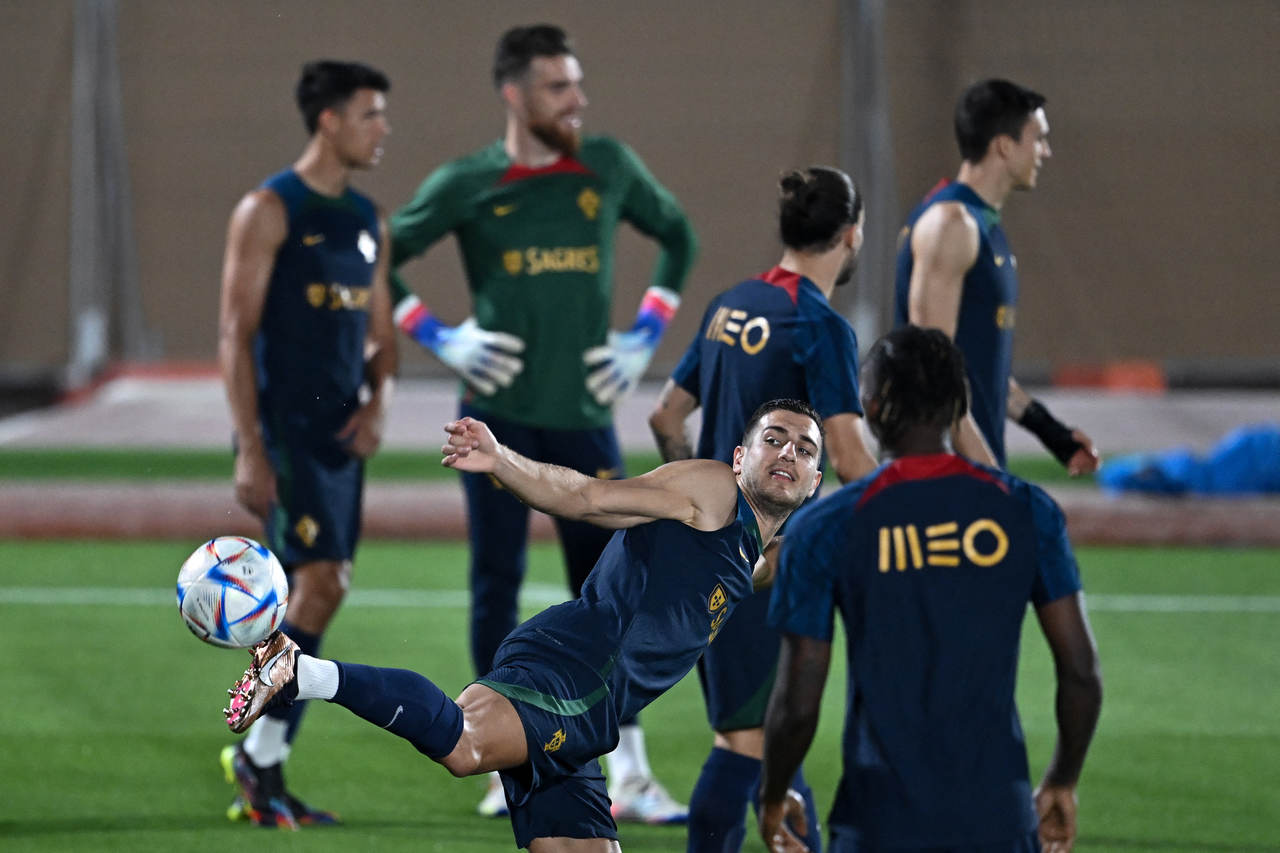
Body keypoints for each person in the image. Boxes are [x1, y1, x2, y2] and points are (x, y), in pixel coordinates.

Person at [220, 399, 825, 852]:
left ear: (815, 482)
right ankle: (301, 671)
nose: (788, 454)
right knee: (464, 746)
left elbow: (757, 575)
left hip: (594, 714)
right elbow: (588, 497)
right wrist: (501, 460)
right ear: (743, 456)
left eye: (804, 450)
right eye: (774, 440)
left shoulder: (756, 556)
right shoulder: (713, 492)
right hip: (573, 669)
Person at [388, 23, 697, 821]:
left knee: (611, 594)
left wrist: (643, 334)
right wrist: (437, 334)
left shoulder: (610, 166)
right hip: (495, 421)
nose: (577, 100)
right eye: (560, 87)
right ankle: (495, 753)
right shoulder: (467, 182)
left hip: (587, 421)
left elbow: (678, 236)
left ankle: (628, 767)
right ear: (515, 94)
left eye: (577, 83)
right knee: (493, 583)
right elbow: (380, 256)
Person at [758, 326, 1103, 853]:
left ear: (871, 408)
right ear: (960, 406)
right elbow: (1080, 671)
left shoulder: (829, 525)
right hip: (998, 819)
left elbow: (800, 695)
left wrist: (774, 791)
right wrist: (1061, 779)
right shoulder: (1026, 511)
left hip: (878, 821)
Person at [648, 167, 879, 853]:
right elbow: (849, 454)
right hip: (765, 564)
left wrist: (700, 507)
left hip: (709, 553)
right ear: (851, 235)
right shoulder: (819, 325)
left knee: (771, 734)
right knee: (746, 742)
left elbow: (667, 417)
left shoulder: (731, 303)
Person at [216, 59, 397, 828]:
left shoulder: (366, 218)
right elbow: (234, 332)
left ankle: (259, 751)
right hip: (287, 431)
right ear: (328, 120)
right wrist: (250, 446)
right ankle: (258, 758)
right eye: (370, 114)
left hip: (340, 437)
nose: (383, 128)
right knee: (322, 582)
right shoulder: (268, 209)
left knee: (319, 586)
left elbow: (380, 332)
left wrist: (381, 400)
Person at [893, 78, 1101, 475]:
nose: (1046, 152)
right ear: (1004, 145)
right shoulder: (952, 225)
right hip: (939, 480)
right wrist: (991, 480)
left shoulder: (978, 224)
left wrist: (1050, 431)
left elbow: (974, 369)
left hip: (963, 475)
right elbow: (931, 379)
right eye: (1038, 139)